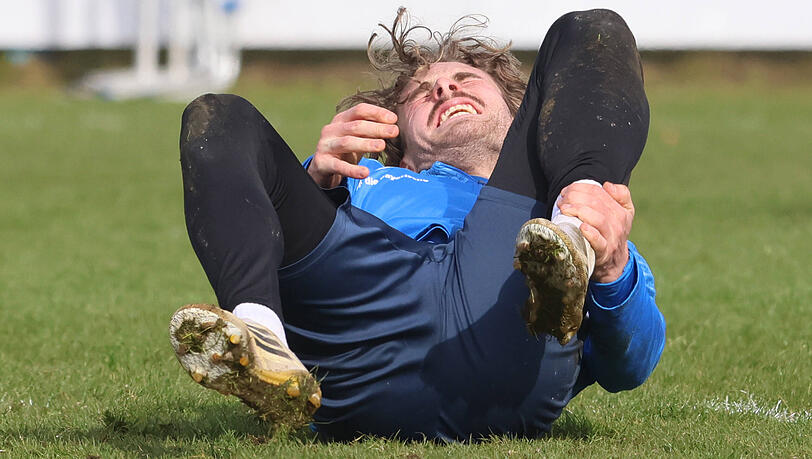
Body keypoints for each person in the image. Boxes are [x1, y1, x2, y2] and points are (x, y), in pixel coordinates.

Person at [169, 8, 665, 441]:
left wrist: (611, 266)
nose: (444, 87)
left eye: (466, 80)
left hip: (507, 307)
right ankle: (261, 333)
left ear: (523, 112)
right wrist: (312, 184)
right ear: (398, 135)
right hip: (358, 333)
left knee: (591, 30)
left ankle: (573, 244)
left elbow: (629, 366)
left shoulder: (566, 201)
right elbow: (247, 220)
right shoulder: (363, 182)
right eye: (422, 93)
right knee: (217, 115)